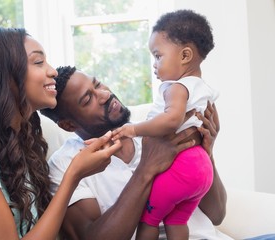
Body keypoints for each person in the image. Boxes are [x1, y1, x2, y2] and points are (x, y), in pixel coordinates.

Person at [0, 27, 123, 240]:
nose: (53, 71)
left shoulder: (22, 142)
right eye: (38, 63)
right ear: (4, 75)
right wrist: (74, 174)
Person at [40, 65, 230, 240]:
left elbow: (217, 214)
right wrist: (147, 168)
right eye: (88, 99)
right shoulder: (66, 164)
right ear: (68, 125)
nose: (105, 94)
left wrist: (207, 154)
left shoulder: (158, 128)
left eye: (98, 84)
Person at [111, 9, 218, 240]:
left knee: (149, 218)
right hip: (202, 168)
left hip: (181, 168)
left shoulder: (176, 87)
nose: (154, 65)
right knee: (177, 220)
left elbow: (172, 120)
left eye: (158, 56)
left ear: (185, 55)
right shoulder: (202, 88)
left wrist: (134, 129)